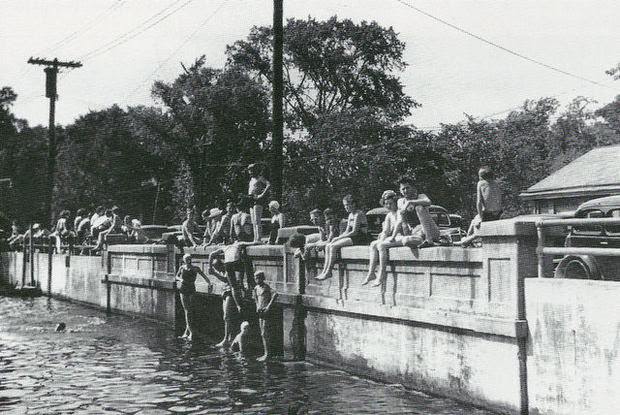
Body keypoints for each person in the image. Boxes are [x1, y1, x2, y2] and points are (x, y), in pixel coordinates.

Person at [316, 194, 370, 281]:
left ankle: (329, 271)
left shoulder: (358, 214)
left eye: (347, 205)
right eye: (345, 205)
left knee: (333, 246)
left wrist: (338, 238)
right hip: (353, 237)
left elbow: (354, 231)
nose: (346, 207)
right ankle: (324, 271)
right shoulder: (350, 215)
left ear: (354, 204)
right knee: (328, 245)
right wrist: (338, 237)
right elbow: (347, 231)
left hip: (361, 237)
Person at [455, 167, 503, 247]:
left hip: (488, 213)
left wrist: (481, 217)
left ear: (481, 177)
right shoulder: (496, 184)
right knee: (474, 221)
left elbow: (479, 202)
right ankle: (467, 240)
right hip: (498, 212)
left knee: (476, 223)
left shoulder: (481, 183)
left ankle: (466, 241)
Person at [362, 190, 400, 286]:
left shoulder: (399, 212)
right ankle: (371, 273)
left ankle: (381, 274)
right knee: (373, 244)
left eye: (390, 203)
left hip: (401, 236)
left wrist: (383, 241)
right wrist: (381, 238)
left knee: (381, 245)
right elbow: (385, 231)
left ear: (396, 202)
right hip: (392, 238)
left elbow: (399, 226)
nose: (388, 206)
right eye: (386, 204)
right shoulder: (389, 215)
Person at [175, 253, 213, 341]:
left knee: (190, 311)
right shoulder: (182, 267)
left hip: (191, 289)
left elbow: (204, 276)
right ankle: (188, 332)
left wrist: (209, 283)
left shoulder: (195, 268)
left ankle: (189, 332)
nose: (188, 260)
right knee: (187, 310)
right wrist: (181, 279)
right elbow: (176, 276)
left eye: (189, 258)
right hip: (183, 289)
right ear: (184, 260)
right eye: (186, 259)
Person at [397, 176, 440, 248]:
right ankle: (423, 241)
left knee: (419, 208)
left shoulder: (421, 196)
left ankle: (429, 240)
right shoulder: (400, 202)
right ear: (400, 191)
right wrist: (406, 235)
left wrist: (410, 202)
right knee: (406, 240)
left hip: (431, 230)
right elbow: (404, 222)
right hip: (416, 231)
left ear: (413, 188)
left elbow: (428, 202)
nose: (405, 191)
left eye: (407, 188)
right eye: (403, 189)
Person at [208, 257, 238, 347]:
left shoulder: (227, 269)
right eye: (215, 267)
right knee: (226, 317)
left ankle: (226, 339)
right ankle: (229, 337)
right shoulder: (221, 270)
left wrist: (214, 274)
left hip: (230, 293)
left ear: (220, 264)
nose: (217, 269)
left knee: (227, 316)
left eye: (217, 267)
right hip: (224, 293)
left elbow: (226, 279)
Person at [253, 271, 278, 361]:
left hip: (266, 311)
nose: (257, 280)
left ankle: (268, 354)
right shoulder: (256, 288)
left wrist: (268, 307)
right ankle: (266, 353)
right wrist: (257, 306)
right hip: (260, 311)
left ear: (263, 278)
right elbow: (255, 297)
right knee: (262, 333)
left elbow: (275, 294)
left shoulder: (266, 287)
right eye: (255, 278)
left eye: (259, 277)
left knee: (265, 333)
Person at [247, 163, 271, 243]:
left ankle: (259, 238)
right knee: (253, 220)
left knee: (257, 220)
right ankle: (255, 238)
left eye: (252, 171)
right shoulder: (251, 180)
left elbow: (268, 184)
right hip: (251, 199)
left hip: (258, 199)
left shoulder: (260, 178)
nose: (250, 172)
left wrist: (262, 194)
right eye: (249, 171)